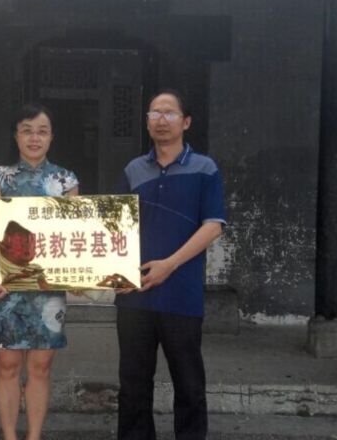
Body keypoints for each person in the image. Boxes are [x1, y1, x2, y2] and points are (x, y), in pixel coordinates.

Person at [114, 90, 226, 440]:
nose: (161, 120)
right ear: (147, 121)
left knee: (189, 385)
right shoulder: (134, 169)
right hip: (134, 294)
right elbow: (113, 225)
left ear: (186, 122)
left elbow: (213, 225)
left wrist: (170, 264)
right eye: (154, 113)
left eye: (169, 113)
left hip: (182, 295)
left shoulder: (205, 168)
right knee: (133, 386)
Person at [0, 105, 79, 440]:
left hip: (48, 289)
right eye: (27, 130)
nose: (34, 138)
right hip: (5, 285)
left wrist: (79, 276)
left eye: (42, 131)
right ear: (16, 135)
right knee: (7, 366)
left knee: (41, 367)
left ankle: (34, 436)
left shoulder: (66, 181)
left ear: (52, 137)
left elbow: (72, 235)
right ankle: (9, 436)